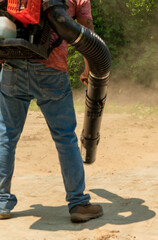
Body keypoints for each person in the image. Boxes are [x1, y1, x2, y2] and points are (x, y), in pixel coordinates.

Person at [0, 0, 103, 223]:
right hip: (51, 70)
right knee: (65, 137)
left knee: (6, 136)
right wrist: (88, 67)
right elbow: (86, 34)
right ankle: (78, 203)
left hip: (13, 66)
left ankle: (1, 202)